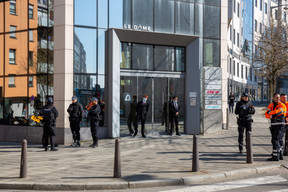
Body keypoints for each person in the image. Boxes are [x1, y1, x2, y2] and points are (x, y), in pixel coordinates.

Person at [265, 93, 287, 161]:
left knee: (275, 140)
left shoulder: (282, 105)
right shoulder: (271, 105)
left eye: (279, 98)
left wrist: (271, 113)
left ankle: (275, 156)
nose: (278, 99)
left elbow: (278, 113)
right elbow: (266, 114)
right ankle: (280, 155)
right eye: (277, 97)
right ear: (273, 98)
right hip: (273, 125)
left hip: (280, 125)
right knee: (278, 140)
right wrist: (272, 114)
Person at [280, 93, 288, 158]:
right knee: (280, 138)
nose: (285, 99)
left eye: (285, 98)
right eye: (283, 98)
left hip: (287, 123)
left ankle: (286, 152)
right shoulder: (279, 104)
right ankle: (280, 152)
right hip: (280, 123)